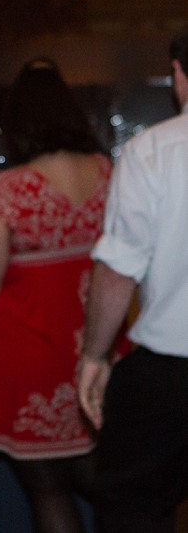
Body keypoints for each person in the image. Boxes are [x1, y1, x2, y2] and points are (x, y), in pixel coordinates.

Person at [0, 59, 109, 533]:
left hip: (26, 353)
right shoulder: (109, 176)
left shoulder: (7, 193)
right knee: (103, 481)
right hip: (96, 347)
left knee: (48, 489)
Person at [78, 28, 188, 533]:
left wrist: (94, 355)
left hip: (170, 378)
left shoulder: (153, 152)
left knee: (134, 513)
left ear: (179, 75)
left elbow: (118, 271)